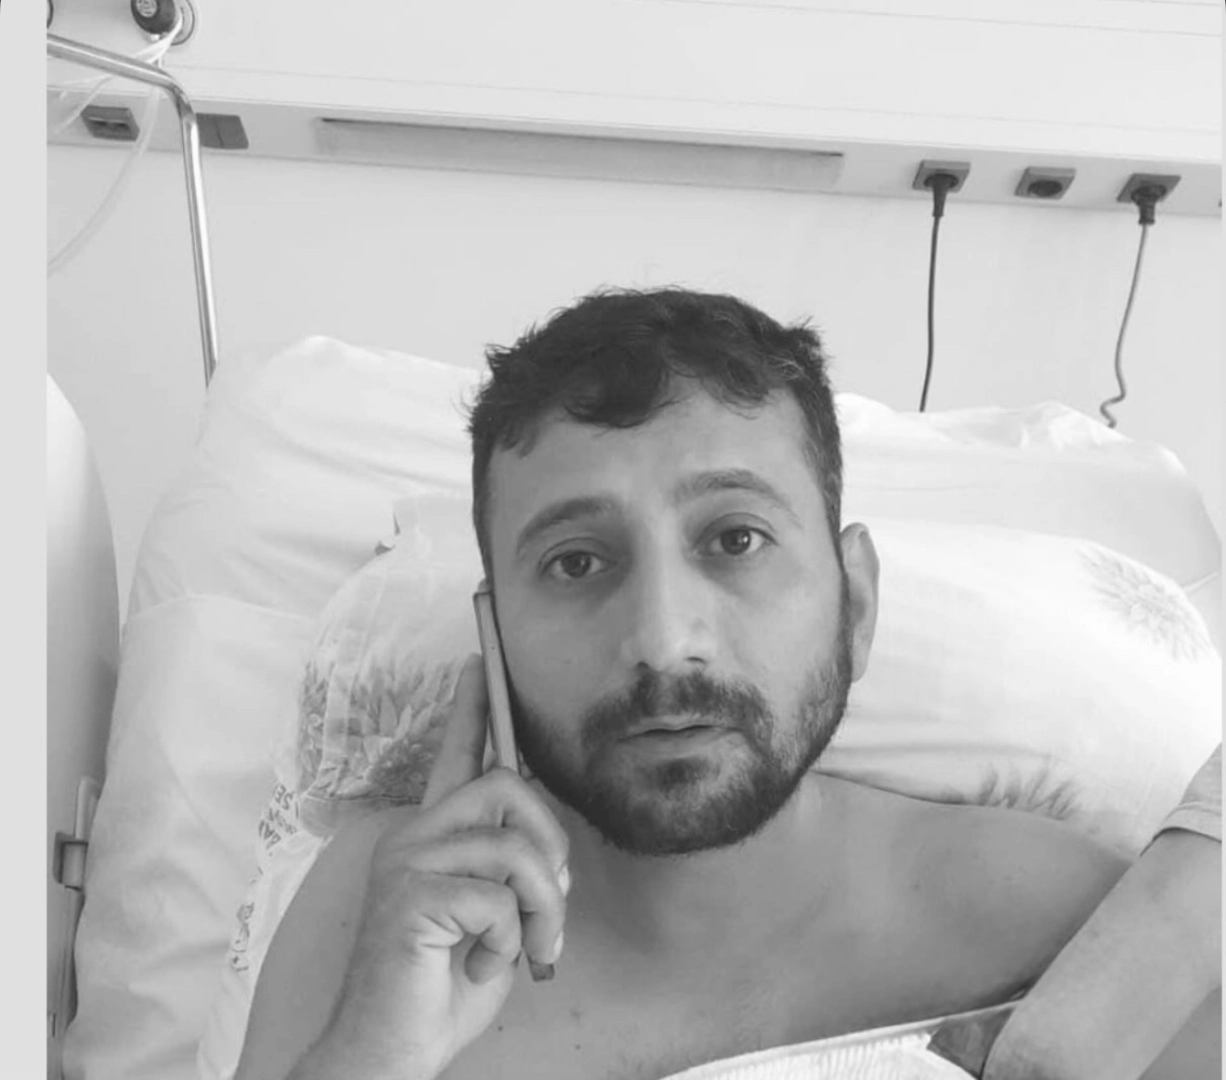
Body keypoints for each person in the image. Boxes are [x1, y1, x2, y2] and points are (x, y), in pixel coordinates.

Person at [235, 288, 1220, 1080]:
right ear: (492, 639)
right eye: (577, 562)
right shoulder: (379, 920)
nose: (663, 643)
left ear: (855, 604)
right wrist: (372, 1054)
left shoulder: (1069, 924)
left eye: (735, 540)